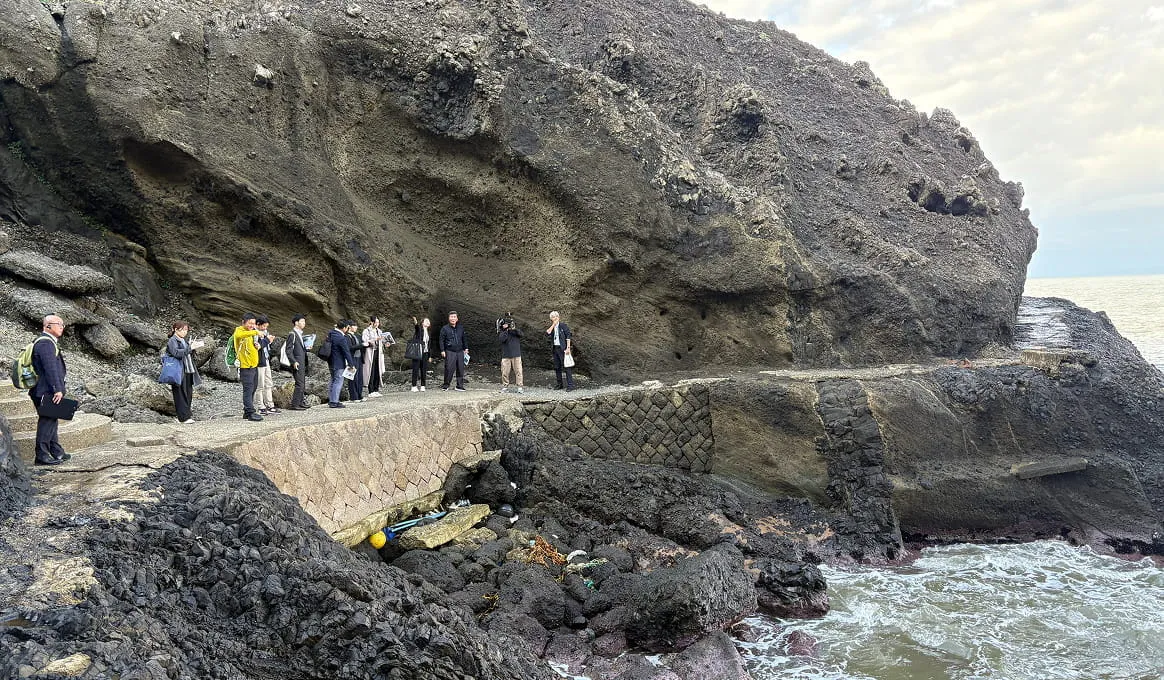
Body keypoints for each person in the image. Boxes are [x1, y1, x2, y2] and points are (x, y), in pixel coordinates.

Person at [29, 314, 69, 465]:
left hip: (44, 389)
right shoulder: (45, 343)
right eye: (58, 324)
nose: (62, 327)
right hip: (45, 390)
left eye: (62, 324)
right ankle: (41, 456)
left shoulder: (47, 342)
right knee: (47, 421)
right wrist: (57, 389)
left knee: (52, 419)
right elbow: (50, 368)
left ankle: (56, 451)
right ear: (48, 326)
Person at [165, 321, 202, 423]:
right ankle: (183, 417)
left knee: (188, 393)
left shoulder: (183, 340)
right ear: (176, 330)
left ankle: (187, 415)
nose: (185, 332)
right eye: (183, 330)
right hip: (178, 370)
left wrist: (193, 347)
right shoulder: (172, 340)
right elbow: (176, 353)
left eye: (186, 330)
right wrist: (190, 348)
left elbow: (188, 353)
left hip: (188, 370)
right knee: (180, 394)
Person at [230, 313, 263, 421]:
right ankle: (250, 412)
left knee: (253, 388)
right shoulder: (239, 331)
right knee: (248, 390)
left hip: (253, 366)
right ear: (243, 322)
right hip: (245, 367)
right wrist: (256, 331)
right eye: (250, 323)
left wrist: (257, 346)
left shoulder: (250, 334)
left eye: (253, 323)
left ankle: (246, 411)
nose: (252, 325)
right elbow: (239, 336)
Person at [326, 320, 355, 408]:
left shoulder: (331, 334)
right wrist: (351, 364)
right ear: (344, 328)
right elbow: (346, 352)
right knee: (338, 381)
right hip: (338, 362)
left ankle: (331, 400)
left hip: (330, 361)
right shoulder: (341, 338)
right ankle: (334, 402)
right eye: (347, 328)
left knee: (333, 380)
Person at [361, 316, 393, 397]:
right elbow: (365, 341)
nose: (377, 324)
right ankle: (370, 390)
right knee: (370, 371)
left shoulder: (380, 331)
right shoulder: (366, 331)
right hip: (370, 352)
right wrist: (376, 339)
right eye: (376, 322)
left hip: (378, 353)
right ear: (371, 322)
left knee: (377, 371)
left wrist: (386, 344)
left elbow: (382, 342)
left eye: (378, 322)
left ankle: (376, 389)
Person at [254, 315, 279, 415]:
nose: (265, 328)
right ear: (258, 324)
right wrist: (268, 340)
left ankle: (270, 405)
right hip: (259, 362)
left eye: (266, 326)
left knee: (269, 383)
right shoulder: (254, 333)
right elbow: (258, 346)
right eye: (264, 326)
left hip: (266, 360)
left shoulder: (264, 333)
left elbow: (265, 346)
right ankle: (261, 406)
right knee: (260, 385)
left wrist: (268, 340)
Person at [439, 310, 469, 392]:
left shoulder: (460, 328)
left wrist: (466, 348)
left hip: (460, 351)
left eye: (454, 317)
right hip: (450, 351)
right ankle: (446, 385)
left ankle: (459, 386)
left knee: (460, 368)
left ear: (457, 318)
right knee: (449, 368)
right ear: (449, 318)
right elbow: (441, 340)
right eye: (451, 317)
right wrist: (442, 350)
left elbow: (464, 339)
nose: (453, 318)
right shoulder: (444, 328)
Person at [285, 314, 310, 410]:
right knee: (299, 383)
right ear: (296, 322)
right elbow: (288, 350)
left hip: (302, 361)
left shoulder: (299, 333)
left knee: (302, 382)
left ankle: (301, 402)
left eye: (304, 321)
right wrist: (293, 361)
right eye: (302, 321)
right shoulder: (292, 334)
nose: (304, 323)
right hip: (297, 362)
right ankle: (295, 404)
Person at [546, 311, 575, 391]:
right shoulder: (552, 327)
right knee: (557, 367)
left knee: (567, 366)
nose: (554, 318)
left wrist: (568, 348)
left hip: (563, 349)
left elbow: (568, 336)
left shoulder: (563, 326)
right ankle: (559, 384)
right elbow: (548, 333)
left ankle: (570, 385)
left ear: (558, 317)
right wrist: (553, 325)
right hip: (555, 348)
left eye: (556, 316)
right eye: (552, 317)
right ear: (551, 319)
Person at [498, 313, 524, 394]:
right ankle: (505, 386)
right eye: (506, 324)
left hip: (516, 354)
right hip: (506, 355)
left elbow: (521, 334)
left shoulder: (515, 332)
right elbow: (502, 339)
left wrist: (513, 329)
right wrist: (506, 330)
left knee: (519, 371)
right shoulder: (502, 332)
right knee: (505, 372)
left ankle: (520, 386)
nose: (507, 325)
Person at [345, 321, 366, 402]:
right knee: (353, 377)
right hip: (352, 358)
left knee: (360, 377)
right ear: (349, 327)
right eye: (354, 326)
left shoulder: (358, 336)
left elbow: (362, 345)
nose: (356, 327)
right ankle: (354, 397)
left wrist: (367, 344)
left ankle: (359, 395)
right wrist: (362, 345)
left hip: (359, 358)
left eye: (356, 326)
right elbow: (350, 348)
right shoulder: (347, 336)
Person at [410, 316, 431, 392]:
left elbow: (429, 345)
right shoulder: (419, 330)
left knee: (424, 369)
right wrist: (415, 321)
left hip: (425, 353)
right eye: (426, 321)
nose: (428, 322)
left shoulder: (428, 332)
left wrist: (429, 356)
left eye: (428, 321)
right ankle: (414, 385)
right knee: (415, 369)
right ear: (422, 323)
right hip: (417, 352)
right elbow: (416, 327)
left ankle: (423, 385)